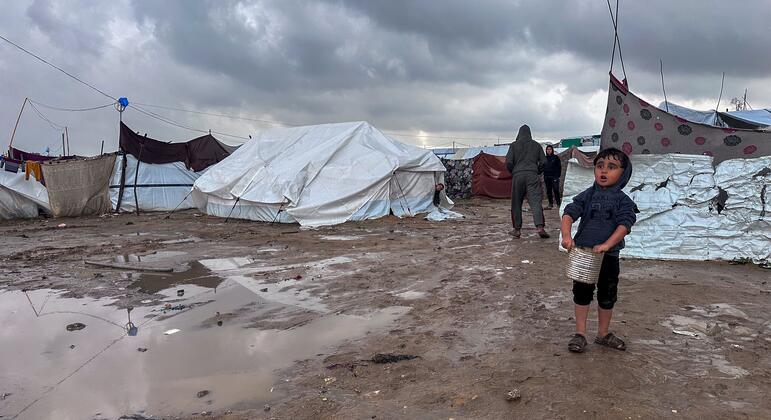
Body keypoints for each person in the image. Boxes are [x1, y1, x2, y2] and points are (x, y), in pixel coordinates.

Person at [560, 147, 636, 353]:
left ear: (624, 173)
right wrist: (566, 236)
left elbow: (624, 225)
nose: (604, 171)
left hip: (609, 257)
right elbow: (569, 213)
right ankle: (580, 334)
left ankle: (603, 334)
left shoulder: (623, 201)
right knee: (582, 293)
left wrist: (607, 244)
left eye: (612, 167)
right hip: (584, 254)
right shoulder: (588, 195)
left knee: (607, 294)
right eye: (600, 166)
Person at [505, 124, 549, 239]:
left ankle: (517, 230)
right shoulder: (536, 145)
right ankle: (540, 227)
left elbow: (508, 162)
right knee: (535, 202)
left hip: (518, 175)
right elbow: (544, 162)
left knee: (516, 203)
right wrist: (537, 171)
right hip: (532, 175)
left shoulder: (514, 145)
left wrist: (514, 171)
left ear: (519, 133)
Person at [543, 145, 562, 209]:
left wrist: (558, 176)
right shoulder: (544, 158)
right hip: (547, 177)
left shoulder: (556, 157)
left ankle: (558, 204)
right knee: (548, 191)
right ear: (546, 150)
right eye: (547, 149)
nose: (549, 150)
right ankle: (550, 204)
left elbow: (559, 167)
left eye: (550, 149)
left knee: (556, 190)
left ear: (552, 150)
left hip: (554, 177)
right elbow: (542, 167)